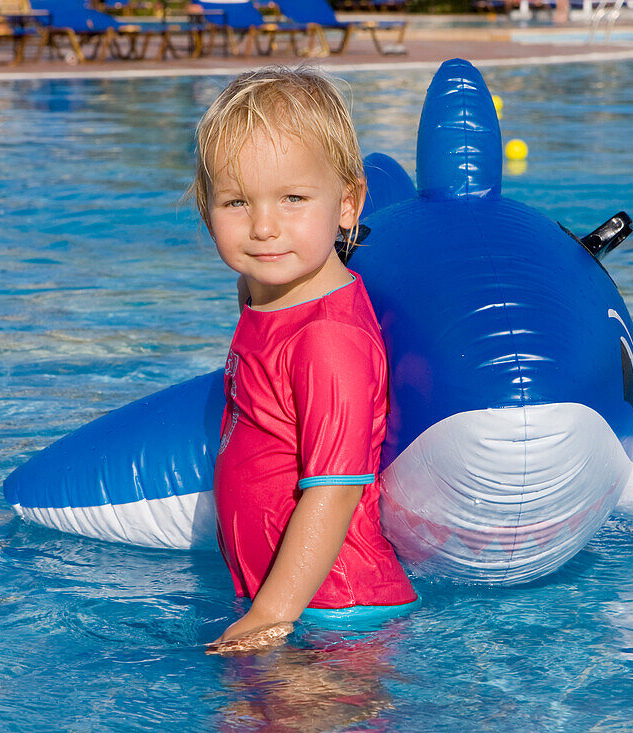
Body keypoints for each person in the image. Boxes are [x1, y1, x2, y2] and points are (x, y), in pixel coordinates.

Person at [189, 67, 417, 655]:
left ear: (348, 204)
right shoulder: (265, 292)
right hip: (291, 601)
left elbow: (334, 492)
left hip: (333, 612)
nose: (264, 228)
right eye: (237, 201)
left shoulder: (327, 340)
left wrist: (269, 617)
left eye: (292, 199)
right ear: (205, 208)